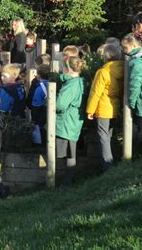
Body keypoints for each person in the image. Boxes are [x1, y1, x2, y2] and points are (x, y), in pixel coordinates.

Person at [86, 43, 124, 172]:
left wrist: (90, 110)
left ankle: (108, 165)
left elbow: (95, 92)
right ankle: (114, 160)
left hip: (103, 108)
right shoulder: (123, 69)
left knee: (103, 137)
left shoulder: (103, 72)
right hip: (116, 106)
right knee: (110, 135)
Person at [56, 56, 86, 186]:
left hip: (66, 122)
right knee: (70, 151)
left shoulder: (70, 86)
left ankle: (67, 181)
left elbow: (60, 105)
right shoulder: (80, 81)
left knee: (68, 153)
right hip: (73, 121)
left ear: (68, 69)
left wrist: (50, 103)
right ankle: (69, 179)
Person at [26, 64, 50, 145]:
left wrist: (34, 119)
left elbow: (36, 105)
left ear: (38, 75)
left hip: (40, 114)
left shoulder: (39, 88)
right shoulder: (52, 83)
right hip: (50, 113)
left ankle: (38, 146)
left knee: (39, 131)